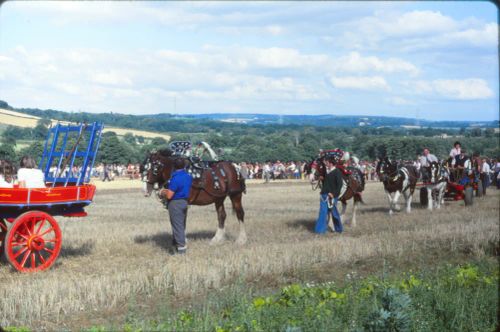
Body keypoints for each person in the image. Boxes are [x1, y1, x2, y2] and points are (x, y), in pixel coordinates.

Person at [160, 158, 193, 255]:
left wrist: (162, 192)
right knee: (181, 225)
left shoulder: (175, 178)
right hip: (184, 202)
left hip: (175, 203)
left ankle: (181, 250)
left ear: (174, 166)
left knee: (177, 226)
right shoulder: (188, 176)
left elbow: (170, 195)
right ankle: (175, 245)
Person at [315, 157, 343, 234]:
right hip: (324, 195)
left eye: (326, 162)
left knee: (334, 213)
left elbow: (339, 185)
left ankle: (339, 229)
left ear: (331, 163)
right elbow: (327, 182)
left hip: (332, 196)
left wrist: (333, 194)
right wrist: (322, 179)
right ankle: (320, 231)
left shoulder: (337, 172)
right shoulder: (326, 172)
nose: (325, 164)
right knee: (322, 212)